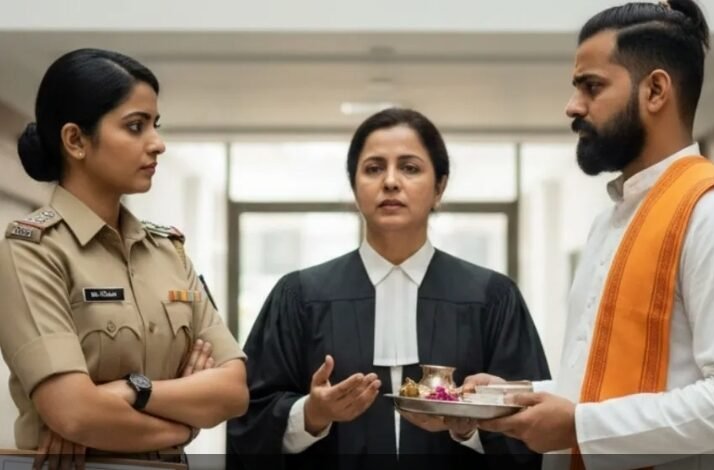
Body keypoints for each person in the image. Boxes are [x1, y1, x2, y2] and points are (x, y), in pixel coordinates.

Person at [469, 1, 714, 469]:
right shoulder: (610, 221)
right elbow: (598, 387)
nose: (573, 106)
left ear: (655, 91)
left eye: (592, 86)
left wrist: (580, 426)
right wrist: (512, 397)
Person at [227, 108, 550, 469]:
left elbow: (531, 427)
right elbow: (248, 420)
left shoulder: (492, 297)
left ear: (439, 187)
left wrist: (467, 427)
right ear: (354, 188)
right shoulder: (299, 295)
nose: (391, 181)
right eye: (373, 168)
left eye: (410, 168)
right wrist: (311, 414)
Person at [0, 48, 248, 468]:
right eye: (135, 126)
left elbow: (234, 390)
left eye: (155, 125)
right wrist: (185, 427)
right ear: (76, 141)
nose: (158, 144)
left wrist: (135, 390)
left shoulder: (168, 252)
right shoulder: (33, 251)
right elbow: (75, 413)